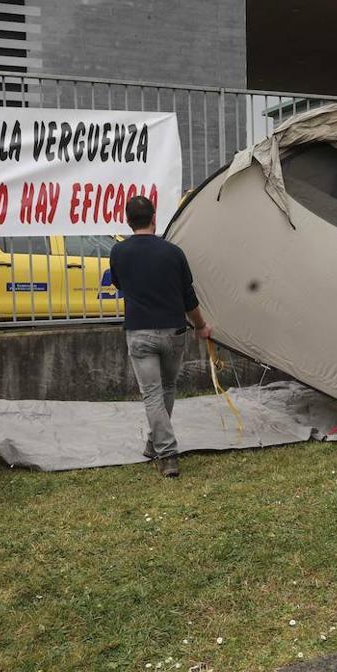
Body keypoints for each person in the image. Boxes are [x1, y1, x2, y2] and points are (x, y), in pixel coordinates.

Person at [108, 195, 212, 477]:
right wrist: (201, 326)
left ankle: (166, 453)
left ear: (128, 222)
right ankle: (157, 444)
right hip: (174, 332)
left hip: (139, 332)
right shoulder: (174, 253)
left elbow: (118, 282)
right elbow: (189, 299)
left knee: (152, 393)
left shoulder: (118, 252)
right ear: (154, 218)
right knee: (166, 388)